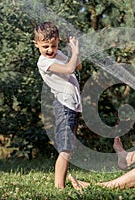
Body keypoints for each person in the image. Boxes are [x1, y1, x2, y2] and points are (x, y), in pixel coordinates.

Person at [34, 22, 82, 189]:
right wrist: (74, 53)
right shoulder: (43, 62)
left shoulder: (58, 54)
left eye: (53, 45)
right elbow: (69, 69)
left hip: (72, 106)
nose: (49, 50)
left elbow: (77, 66)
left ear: (57, 43)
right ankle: (59, 187)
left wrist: (74, 52)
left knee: (68, 148)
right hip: (64, 106)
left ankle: (60, 185)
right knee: (65, 149)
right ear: (37, 44)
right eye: (45, 46)